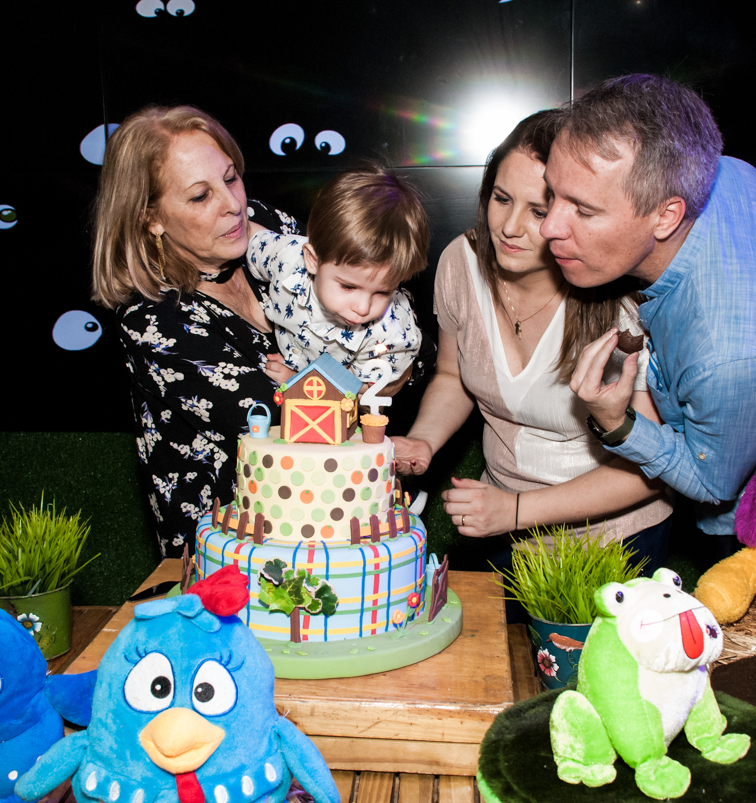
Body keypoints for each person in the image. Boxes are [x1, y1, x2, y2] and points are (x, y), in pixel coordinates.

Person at [541, 75, 756, 560]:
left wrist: (618, 423)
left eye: (584, 211)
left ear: (667, 215)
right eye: (553, 194)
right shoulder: (723, 171)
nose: (550, 226)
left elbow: (712, 482)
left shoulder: (733, 353)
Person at [393, 110, 673, 573]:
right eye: (501, 199)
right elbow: (451, 374)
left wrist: (517, 509)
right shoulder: (460, 262)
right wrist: (424, 440)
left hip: (616, 539)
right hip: (501, 527)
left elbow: (653, 465)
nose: (509, 227)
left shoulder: (621, 302)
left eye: (538, 211)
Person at [91, 105, 298, 557]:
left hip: (329, 528)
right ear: (151, 218)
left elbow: (404, 342)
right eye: (200, 196)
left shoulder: (269, 229)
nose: (233, 205)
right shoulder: (153, 322)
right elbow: (291, 423)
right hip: (232, 558)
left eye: (230, 178)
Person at [245, 167, 429, 388]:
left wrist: (300, 383)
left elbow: (363, 392)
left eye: (382, 291)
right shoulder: (285, 256)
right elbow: (251, 238)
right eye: (348, 287)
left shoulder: (389, 331)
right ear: (312, 260)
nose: (363, 308)